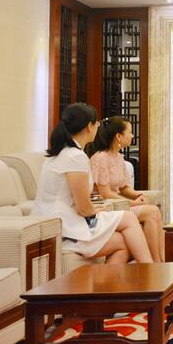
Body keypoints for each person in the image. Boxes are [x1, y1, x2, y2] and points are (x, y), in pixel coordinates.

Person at [32, 103, 153, 264]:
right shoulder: (75, 156)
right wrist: (95, 212)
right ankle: (150, 269)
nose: (98, 127)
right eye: (96, 123)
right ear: (89, 126)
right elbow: (83, 208)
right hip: (65, 228)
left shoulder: (61, 153)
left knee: (123, 242)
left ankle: (131, 275)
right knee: (129, 218)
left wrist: (94, 210)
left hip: (60, 222)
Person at [87, 116, 165, 262]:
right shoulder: (100, 158)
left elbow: (123, 188)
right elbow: (105, 193)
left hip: (119, 205)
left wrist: (138, 195)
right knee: (151, 212)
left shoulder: (118, 157)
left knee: (154, 211)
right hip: (106, 207)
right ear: (118, 136)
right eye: (129, 132)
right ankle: (155, 264)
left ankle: (161, 261)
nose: (132, 136)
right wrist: (133, 203)